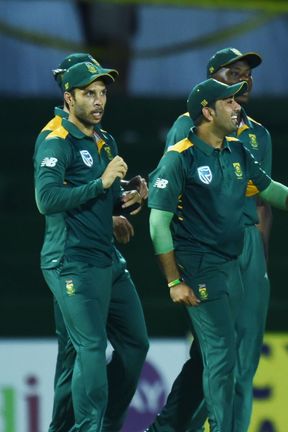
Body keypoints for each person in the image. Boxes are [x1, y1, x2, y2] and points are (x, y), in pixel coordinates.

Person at [148, 78, 288, 432]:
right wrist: (174, 281)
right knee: (223, 354)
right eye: (227, 102)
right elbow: (157, 225)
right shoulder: (180, 157)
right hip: (199, 268)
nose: (237, 105)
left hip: (232, 266)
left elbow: (268, 189)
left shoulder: (238, 150)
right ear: (207, 112)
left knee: (209, 358)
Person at [149, 47, 271, 432]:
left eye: (247, 73)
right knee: (216, 354)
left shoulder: (257, 134)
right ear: (211, 79)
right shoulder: (187, 126)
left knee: (244, 358)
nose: (244, 78)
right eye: (233, 72)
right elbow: (165, 182)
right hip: (206, 247)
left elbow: (264, 199)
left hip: (247, 243)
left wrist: (260, 260)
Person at [33, 61, 149, 432]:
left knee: (134, 345)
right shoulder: (55, 139)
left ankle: (101, 423)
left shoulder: (103, 139)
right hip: (70, 262)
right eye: (89, 94)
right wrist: (101, 185)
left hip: (106, 259)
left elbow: (107, 195)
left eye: (102, 93)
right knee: (90, 350)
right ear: (69, 98)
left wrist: (128, 197)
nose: (99, 101)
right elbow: (46, 198)